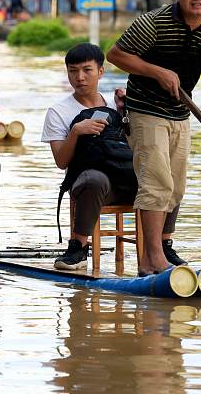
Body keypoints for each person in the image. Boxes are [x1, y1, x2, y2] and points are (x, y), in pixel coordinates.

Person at [107, 0, 201, 276]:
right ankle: (151, 260)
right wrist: (157, 71)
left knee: (175, 188)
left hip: (181, 113)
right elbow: (115, 55)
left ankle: (155, 256)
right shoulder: (153, 22)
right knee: (157, 184)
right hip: (144, 109)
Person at [41, 43, 134, 270]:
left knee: (168, 176)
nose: (80, 77)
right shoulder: (58, 112)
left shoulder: (118, 103)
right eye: (73, 71)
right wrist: (76, 132)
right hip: (91, 185)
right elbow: (61, 161)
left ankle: (163, 246)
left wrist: (130, 112)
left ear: (101, 72)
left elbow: (138, 146)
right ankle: (79, 248)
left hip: (128, 178)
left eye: (87, 70)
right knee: (95, 179)